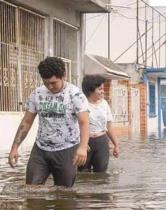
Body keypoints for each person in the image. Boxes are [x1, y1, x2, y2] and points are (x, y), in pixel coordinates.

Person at [8, 56, 89, 187]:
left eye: (53, 83)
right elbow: (26, 122)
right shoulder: (37, 94)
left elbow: (84, 122)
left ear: (64, 76)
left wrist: (83, 147)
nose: (50, 87)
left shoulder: (75, 95)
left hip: (67, 150)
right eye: (46, 83)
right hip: (40, 150)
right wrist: (14, 148)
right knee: (31, 190)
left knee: (64, 196)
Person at [78, 74, 119, 172]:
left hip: (101, 142)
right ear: (91, 90)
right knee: (83, 174)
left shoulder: (104, 104)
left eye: (103, 89)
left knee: (101, 174)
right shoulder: (81, 104)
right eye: (100, 89)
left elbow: (109, 126)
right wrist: (81, 142)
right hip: (85, 143)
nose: (103, 91)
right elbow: (74, 125)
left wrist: (116, 144)